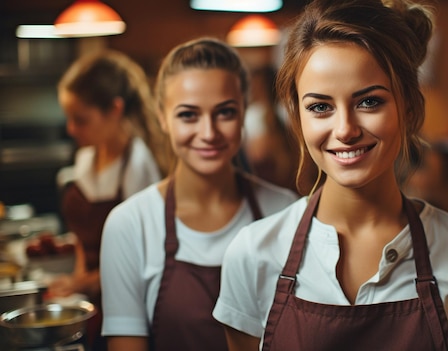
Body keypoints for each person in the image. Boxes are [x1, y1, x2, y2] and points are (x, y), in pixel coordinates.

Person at [213, 1, 448, 350]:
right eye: (320, 107)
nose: (345, 129)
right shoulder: (253, 253)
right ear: (297, 117)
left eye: (369, 102)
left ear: (407, 107)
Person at [99, 37, 299, 351]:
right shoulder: (128, 224)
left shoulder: (285, 210)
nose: (208, 133)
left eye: (225, 112)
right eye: (188, 115)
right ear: (162, 117)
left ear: (244, 112)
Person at [51, 50, 168, 350]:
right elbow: (81, 238)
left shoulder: (138, 165)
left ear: (115, 110)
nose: (71, 129)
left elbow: (141, 257)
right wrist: (78, 285)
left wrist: (80, 284)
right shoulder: (85, 157)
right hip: (92, 301)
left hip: (127, 306)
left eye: (81, 119)